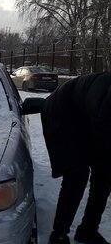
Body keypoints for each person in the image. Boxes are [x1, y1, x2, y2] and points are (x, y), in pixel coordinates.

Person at [40, 72, 111, 244]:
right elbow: (105, 141)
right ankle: (59, 234)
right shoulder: (107, 103)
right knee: (77, 173)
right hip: (61, 112)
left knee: (105, 175)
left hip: (88, 114)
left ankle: (88, 230)